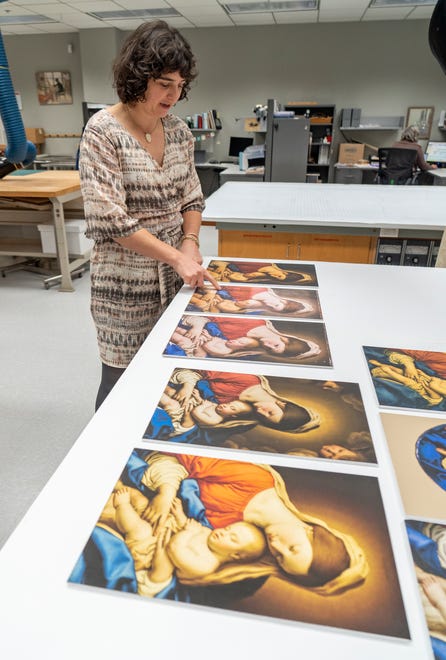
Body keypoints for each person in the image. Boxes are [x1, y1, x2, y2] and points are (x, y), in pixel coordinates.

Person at [79, 20, 218, 410]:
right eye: (163, 83)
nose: (173, 95)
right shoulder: (102, 133)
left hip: (176, 281)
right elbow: (112, 222)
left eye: (180, 85)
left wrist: (189, 243)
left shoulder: (177, 131)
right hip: (123, 288)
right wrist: (177, 256)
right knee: (119, 384)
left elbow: (192, 196)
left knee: (168, 377)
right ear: (137, 77)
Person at [139, 452, 368, 594]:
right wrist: (166, 492)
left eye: (280, 557)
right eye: (292, 548)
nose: (277, 548)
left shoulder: (242, 542)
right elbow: (172, 453)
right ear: (310, 531)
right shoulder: (255, 480)